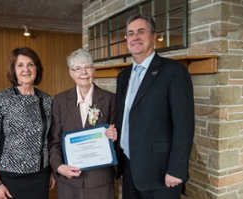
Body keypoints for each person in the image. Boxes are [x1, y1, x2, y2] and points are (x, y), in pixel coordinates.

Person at [115, 13, 195, 199]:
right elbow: (126, 117)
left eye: (141, 32)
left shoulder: (174, 72)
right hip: (128, 169)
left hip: (160, 172)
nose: (135, 37)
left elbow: (184, 124)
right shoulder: (123, 76)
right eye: (131, 33)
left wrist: (177, 168)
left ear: (153, 36)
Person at [0, 47, 55, 199]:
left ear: (37, 69)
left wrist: (52, 171)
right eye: (20, 65)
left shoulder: (47, 100)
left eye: (31, 64)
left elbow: (49, 139)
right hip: (10, 176)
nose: (26, 69)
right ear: (13, 70)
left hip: (40, 175)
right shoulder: (0, 99)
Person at [48, 48, 117, 199]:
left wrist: (115, 135)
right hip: (69, 181)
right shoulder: (60, 101)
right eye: (78, 68)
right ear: (71, 73)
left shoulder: (110, 99)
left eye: (87, 67)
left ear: (94, 70)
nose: (83, 72)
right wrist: (59, 167)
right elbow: (54, 140)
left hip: (100, 181)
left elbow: (119, 138)